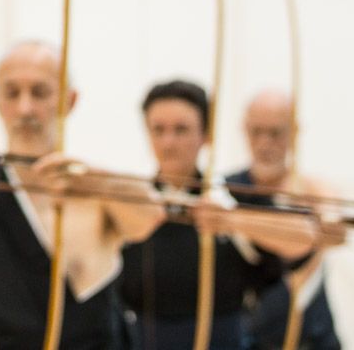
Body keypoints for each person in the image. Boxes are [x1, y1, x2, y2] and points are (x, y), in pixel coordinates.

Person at [0, 42, 164, 350]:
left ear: (69, 100)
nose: (25, 108)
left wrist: (93, 180)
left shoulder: (93, 184)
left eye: (40, 92)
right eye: (12, 93)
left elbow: (149, 217)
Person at [119, 80, 318, 350]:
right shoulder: (131, 203)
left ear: (206, 134)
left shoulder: (229, 196)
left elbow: (306, 236)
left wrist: (230, 219)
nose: (168, 142)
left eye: (181, 129)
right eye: (158, 130)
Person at [229, 90, 343, 350]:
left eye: (275, 133)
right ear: (244, 130)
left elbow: (333, 224)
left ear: (294, 132)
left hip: (313, 337)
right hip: (253, 336)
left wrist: (327, 218)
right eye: (256, 132)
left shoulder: (310, 190)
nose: (264, 143)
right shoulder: (229, 189)